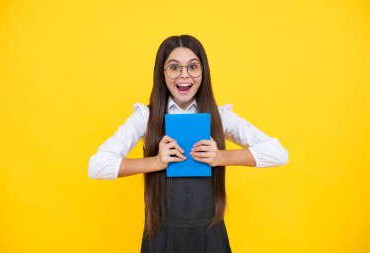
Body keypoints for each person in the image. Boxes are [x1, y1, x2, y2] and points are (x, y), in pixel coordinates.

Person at [88, 34, 289, 253]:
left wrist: (221, 157)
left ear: (203, 72)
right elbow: (97, 166)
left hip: (210, 237)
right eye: (174, 67)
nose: (184, 76)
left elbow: (278, 153)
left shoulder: (220, 117)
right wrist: (155, 161)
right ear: (162, 73)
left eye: (193, 67)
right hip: (160, 237)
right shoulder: (145, 117)